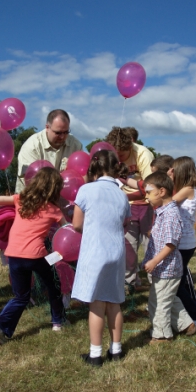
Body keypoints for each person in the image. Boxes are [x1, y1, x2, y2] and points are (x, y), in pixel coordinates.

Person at [0, 167, 67, 345]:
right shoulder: (54, 209)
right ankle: (58, 322)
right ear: (55, 189)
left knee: (20, 297)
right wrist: (61, 254)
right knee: (54, 286)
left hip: (13, 255)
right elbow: (65, 232)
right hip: (37, 256)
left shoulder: (20, 199)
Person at [71, 150, 131, 367]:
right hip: (116, 251)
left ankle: (95, 354)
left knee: (97, 304)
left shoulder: (86, 189)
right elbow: (126, 221)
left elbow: (77, 224)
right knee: (114, 302)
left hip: (96, 251)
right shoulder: (122, 194)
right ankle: (116, 349)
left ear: (94, 167)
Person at [142, 172, 196, 344]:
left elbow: (171, 244)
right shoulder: (162, 213)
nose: (146, 197)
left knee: (159, 303)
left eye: (149, 192)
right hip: (163, 268)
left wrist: (154, 261)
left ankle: (162, 336)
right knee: (169, 298)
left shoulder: (171, 214)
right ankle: (186, 325)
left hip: (167, 269)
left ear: (162, 191)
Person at [105, 127, 154, 291]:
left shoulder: (143, 154)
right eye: (115, 155)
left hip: (148, 205)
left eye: (122, 155)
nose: (118, 159)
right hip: (128, 206)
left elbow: (150, 188)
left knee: (151, 245)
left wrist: (126, 197)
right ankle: (129, 283)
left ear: (130, 147)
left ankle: (155, 282)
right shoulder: (111, 155)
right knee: (128, 246)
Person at [169, 157, 196, 326]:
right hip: (185, 242)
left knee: (175, 283)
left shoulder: (187, 189)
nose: (170, 172)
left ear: (181, 172)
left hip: (183, 244)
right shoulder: (186, 189)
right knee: (180, 280)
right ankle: (192, 313)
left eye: (172, 170)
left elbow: (168, 203)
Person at [15, 109, 83, 193]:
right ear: (47, 127)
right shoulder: (31, 146)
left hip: (64, 202)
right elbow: (32, 181)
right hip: (32, 199)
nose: (62, 137)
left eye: (66, 132)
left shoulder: (75, 145)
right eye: (58, 133)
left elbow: (82, 176)